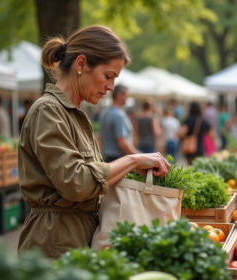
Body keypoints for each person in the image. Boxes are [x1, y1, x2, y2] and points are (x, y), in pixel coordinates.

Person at [17, 25, 171, 259]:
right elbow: (76, 182)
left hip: (75, 234)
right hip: (55, 241)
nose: (111, 87)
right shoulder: (47, 111)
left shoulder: (75, 114)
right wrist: (134, 159)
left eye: (114, 79)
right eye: (108, 76)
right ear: (81, 64)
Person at [99, 85, 139, 162]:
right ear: (119, 96)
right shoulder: (118, 115)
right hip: (120, 159)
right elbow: (122, 143)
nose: (127, 99)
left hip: (108, 159)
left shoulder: (104, 113)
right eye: (127, 96)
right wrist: (139, 156)